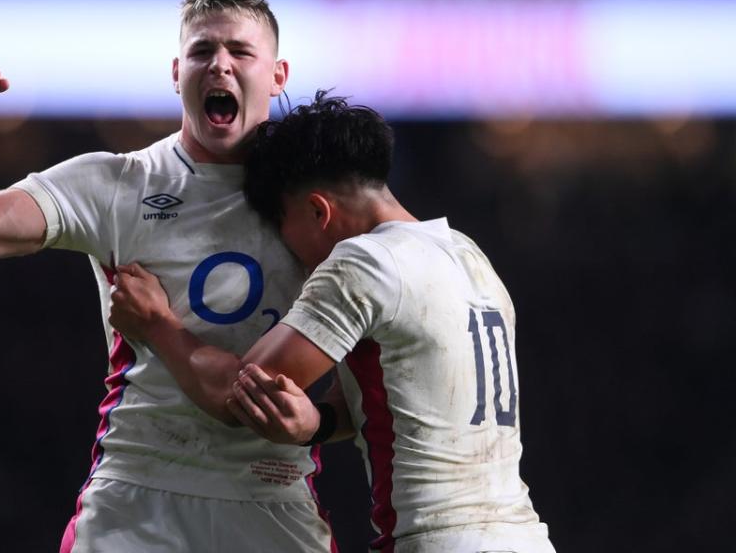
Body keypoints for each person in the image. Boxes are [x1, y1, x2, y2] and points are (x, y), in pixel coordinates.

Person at [0, 0, 335, 553]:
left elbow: (375, 354)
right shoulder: (116, 183)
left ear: (278, 74)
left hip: (271, 496)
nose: (220, 66)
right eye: (202, 51)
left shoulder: (321, 204)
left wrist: (323, 423)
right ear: (175, 73)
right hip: (138, 496)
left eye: (240, 51)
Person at [108, 92, 557, 553]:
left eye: (282, 227)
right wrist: (317, 424)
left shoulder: (364, 261)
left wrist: (157, 324)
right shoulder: (467, 254)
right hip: (523, 535)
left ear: (318, 211)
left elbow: (237, 393)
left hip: (441, 540)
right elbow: (399, 396)